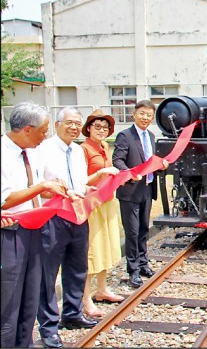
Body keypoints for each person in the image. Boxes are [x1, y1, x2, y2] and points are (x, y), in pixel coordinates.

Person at [1, 102, 69, 348]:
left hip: (34, 229)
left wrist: (54, 191)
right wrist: (41, 187)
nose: (45, 136)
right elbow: (6, 200)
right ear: (27, 129)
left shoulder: (30, 152)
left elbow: (35, 191)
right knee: (9, 301)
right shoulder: (3, 153)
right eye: (43, 130)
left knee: (30, 297)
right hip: (10, 233)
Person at [37, 107, 98, 348]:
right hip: (53, 216)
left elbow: (80, 181)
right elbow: (39, 185)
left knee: (77, 266)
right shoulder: (43, 150)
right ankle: (48, 327)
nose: (74, 127)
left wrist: (86, 189)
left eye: (77, 123)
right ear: (57, 124)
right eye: (69, 123)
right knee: (48, 273)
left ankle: (72, 314)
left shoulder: (77, 150)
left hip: (78, 214)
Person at [113, 100, 169, 289]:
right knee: (132, 232)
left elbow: (150, 163)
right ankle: (133, 270)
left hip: (147, 188)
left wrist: (161, 167)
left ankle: (144, 263)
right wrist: (130, 173)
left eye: (149, 115)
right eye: (142, 113)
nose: (145, 117)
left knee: (144, 229)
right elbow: (117, 160)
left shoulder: (151, 136)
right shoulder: (125, 135)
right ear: (134, 115)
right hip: (130, 191)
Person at [80, 109, 123, 319]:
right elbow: (80, 181)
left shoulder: (105, 147)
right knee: (91, 249)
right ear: (88, 128)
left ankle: (102, 289)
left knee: (106, 246)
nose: (101, 130)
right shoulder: (83, 150)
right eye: (97, 126)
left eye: (105, 128)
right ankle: (85, 298)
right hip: (92, 204)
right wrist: (101, 174)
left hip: (106, 201)